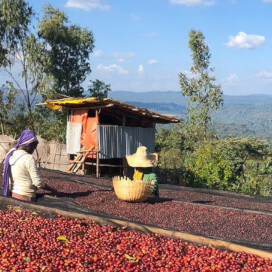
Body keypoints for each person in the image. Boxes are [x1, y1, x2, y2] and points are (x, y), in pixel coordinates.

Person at [2, 129, 57, 202]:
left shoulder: (10, 155)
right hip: (26, 196)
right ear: (28, 145)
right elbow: (37, 182)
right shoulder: (29, 158)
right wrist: (52, 190)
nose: (33, 150)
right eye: (33, 147)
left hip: (13, 195)